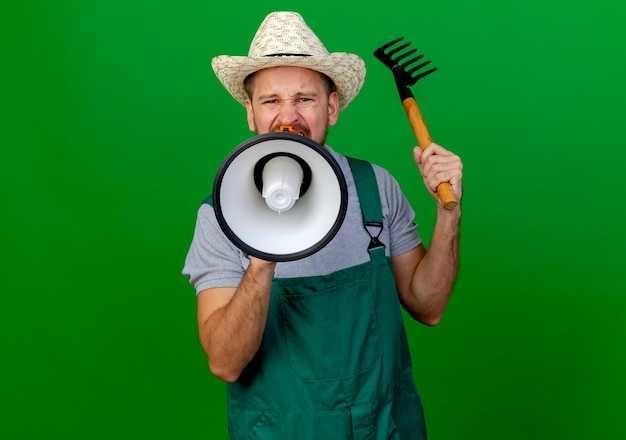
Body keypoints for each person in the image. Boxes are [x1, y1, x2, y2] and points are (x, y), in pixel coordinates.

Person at [183, 11, 463, 440]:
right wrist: (262, 255)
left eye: (305, 99)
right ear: (251, 113)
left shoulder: (375, 189)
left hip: (385, 428)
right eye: (271, 101)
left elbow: (430, 307)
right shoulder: (220, 216)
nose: (288, 117)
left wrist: (449, 214)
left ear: (331, 107)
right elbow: (224, 362)